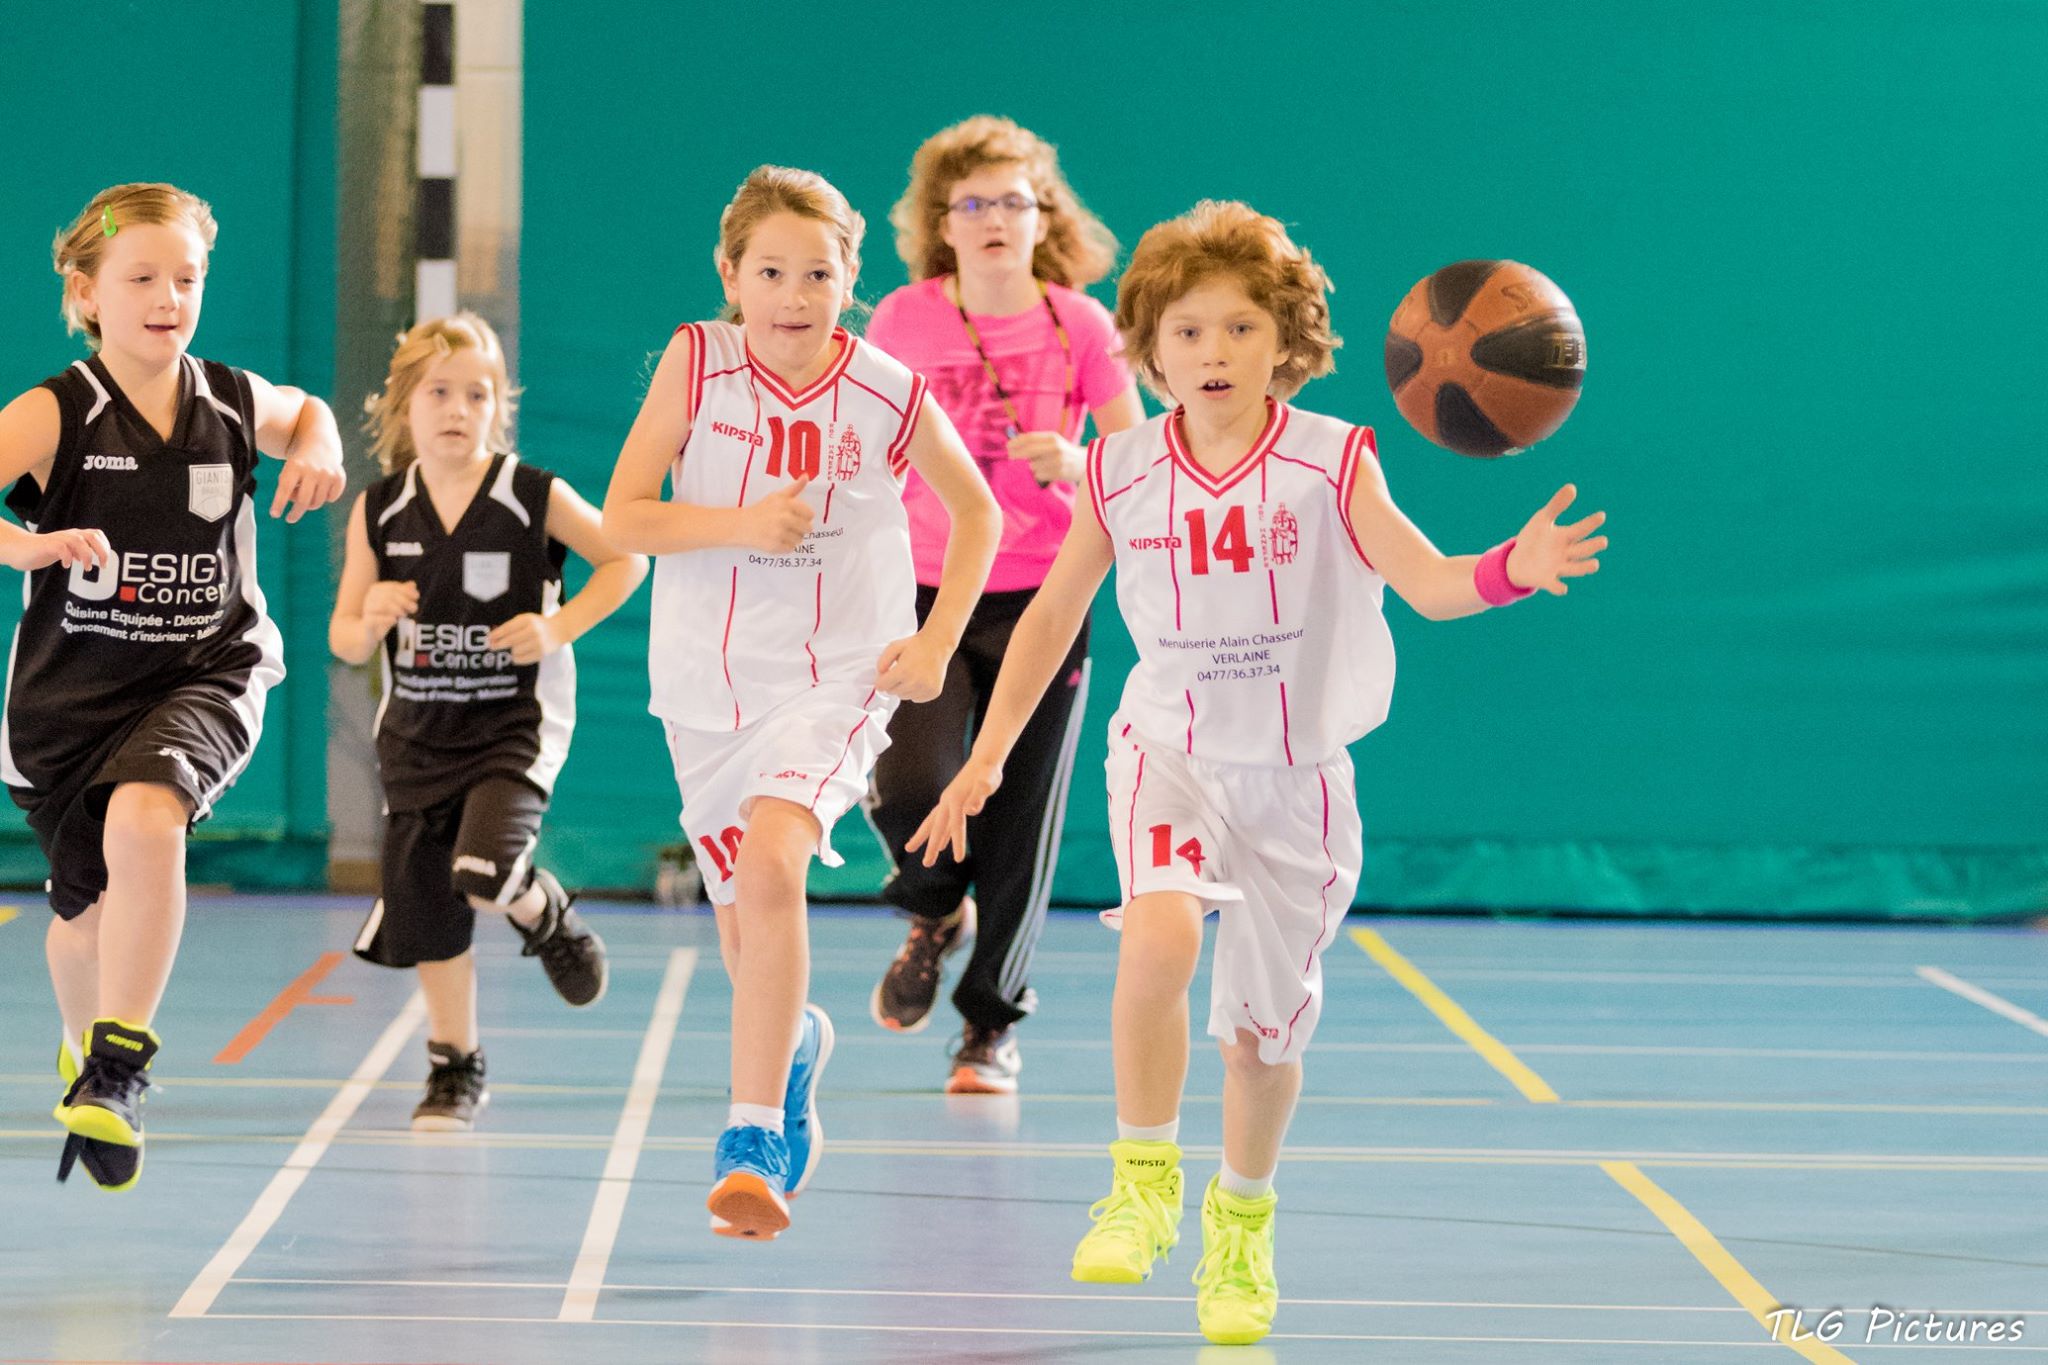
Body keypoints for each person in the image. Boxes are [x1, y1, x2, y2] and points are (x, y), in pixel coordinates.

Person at [910, 200, 1607, 1343]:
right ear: (1149, 347)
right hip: (1167, 754)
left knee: (1257, 1041)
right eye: (1186, 331)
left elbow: (1428, 584)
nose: (1213, 352)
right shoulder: (1118, 469)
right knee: (1158, 936)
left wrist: (1510, 568)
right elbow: (1050, 616)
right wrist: (986, 757)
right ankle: (1141, 1183)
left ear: (1284, 340)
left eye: (1239, 328)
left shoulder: (1331, 461)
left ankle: (1240, 1224)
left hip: (1294, 783)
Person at [602, 166, 998, 1240]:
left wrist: (935, 641)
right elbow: (624, 516)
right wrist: (737, 525)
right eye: (770, 272)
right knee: (748, 937)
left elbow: (977, 513)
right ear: (730, 274)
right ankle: (793, 1059)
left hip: (834, 676)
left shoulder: (884, 389)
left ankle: (750, 1139)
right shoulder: (697, 362)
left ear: (848, 279)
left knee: (777, 858)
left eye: (817, 273)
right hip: (705, 686)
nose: (793, 294)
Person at [0, 182, 348, 1189]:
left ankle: (119, 1068)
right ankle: (86, 1051)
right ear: (86, 292)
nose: (168, 297)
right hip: (69, 700)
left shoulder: (229, 400)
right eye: (142, 277)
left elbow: (308, 411)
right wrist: (25, 545)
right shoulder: (56, 412)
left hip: (207, 667)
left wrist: (320, 445)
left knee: (148, 817)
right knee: (84, 923)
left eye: (186, 279)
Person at [863, 116, 1142, 1094]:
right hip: (925, 585)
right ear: (942, 223)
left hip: (1044, 591)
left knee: (1021, 814)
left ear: (1041, 217)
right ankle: (935, 908)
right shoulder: (903, 321)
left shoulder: (1082, 326)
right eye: (971, 203)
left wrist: (1077, 460)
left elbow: (1137, 459)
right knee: (908, 781)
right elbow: (865, 443)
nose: (992, 219)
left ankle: (988, 1024)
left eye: (1011, 202)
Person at [330, 311, 646, 1130]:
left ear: (500, 406)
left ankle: (546, 913)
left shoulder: (530, 494)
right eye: (440, 392)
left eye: (479, 394)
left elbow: (626, 559)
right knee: (430, 915)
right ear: (404, 403)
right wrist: (369, 614)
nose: (458, 409)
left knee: (486, 868)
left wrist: (559, 625)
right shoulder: (379, 509)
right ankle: (455, 1064)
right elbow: (343, 634)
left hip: (512, 726)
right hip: (416, 737)